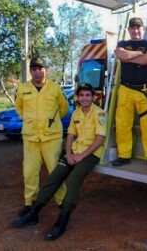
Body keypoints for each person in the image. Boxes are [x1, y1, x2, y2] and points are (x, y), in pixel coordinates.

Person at [12, 83, 106, 240]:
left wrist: (81, 156)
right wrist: (68, 155)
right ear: (77, 97)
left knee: (73, 182)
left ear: (94, 97)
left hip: (90, 154)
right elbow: (70, 135)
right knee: (53, 179)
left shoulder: (99, 114)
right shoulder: (76, 112)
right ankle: (33, 213)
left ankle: (61, 222)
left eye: (87, 95)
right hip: (74, 152)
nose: (84, 98)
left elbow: (100, 139)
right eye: (81, 95)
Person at [15, 57, 69, 217]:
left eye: (40, 69)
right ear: (30, 71)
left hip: (51, 137)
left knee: (56, 172)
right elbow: (20, 108)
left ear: (47, 70)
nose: (37, 72)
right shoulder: (22, 88)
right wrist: (33, 121)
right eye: (34, 69)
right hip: (31, 137)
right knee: (29, 172)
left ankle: (62, 202)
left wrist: (49, 123)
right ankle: (29, 203)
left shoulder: (55, 89)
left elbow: (63, 109)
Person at [112, 17, 147, 169]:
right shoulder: (122, 44)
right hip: (125, 90)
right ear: (129, 30)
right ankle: (124, 156)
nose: (135, 30)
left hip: (144, 92)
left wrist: (130, 56)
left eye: (138, 27)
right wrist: (139, 55)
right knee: (122, 125)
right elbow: (120, 54)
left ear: (143, 29)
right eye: (132, 28)